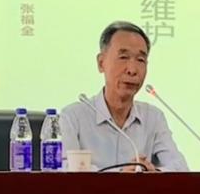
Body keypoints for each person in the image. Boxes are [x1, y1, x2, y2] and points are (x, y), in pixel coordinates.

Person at [59, 21, 189, 172]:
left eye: (140, 60)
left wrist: (154, 173)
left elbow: (180, 167)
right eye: (123, 57)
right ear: (101, 63)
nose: (132, 70)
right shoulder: (73, 117)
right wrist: (120, 175)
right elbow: (64, 168)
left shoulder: (153, 118)